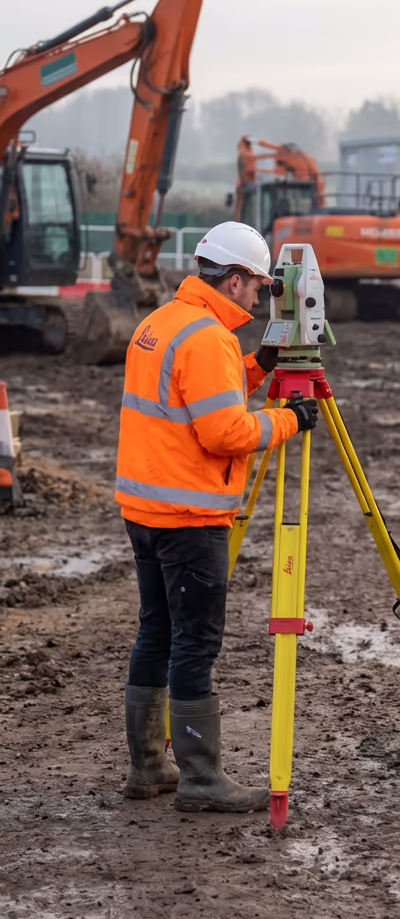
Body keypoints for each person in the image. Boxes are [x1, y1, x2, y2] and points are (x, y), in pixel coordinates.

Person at [116, 221, 319, 812]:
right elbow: (225, 431)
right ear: (233, 280)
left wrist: (259, 364)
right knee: (195, 644)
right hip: (189, 514)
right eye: (257, 284)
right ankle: (201, 780)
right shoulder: (207, 338)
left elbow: (203, 398)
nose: (260, 295)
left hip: (147, 508)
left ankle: (147, 766)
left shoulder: (163, 322)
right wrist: (291, 419)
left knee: (156, 631)